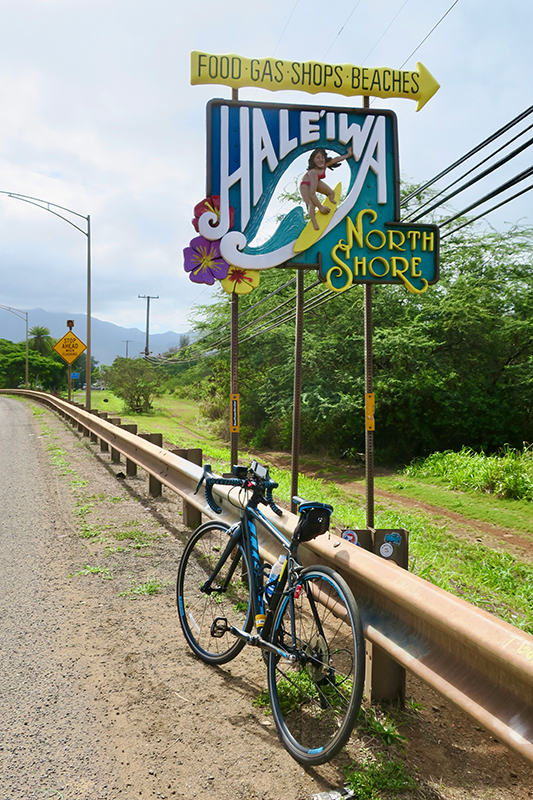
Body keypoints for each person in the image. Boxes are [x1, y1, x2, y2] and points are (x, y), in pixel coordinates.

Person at [300, 146, 353, 230]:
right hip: (305, 184)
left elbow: (336, 159)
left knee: (331, 193)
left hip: (315, 181)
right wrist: (320, 207)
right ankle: (314, 223)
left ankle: (330, 202)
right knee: (311, 203)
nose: (320, 160)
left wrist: (348, 155)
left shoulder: (324, 165)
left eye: (322, 157)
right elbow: (312, 193)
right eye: (318, 158)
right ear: (313, 160)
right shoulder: (312, 172)